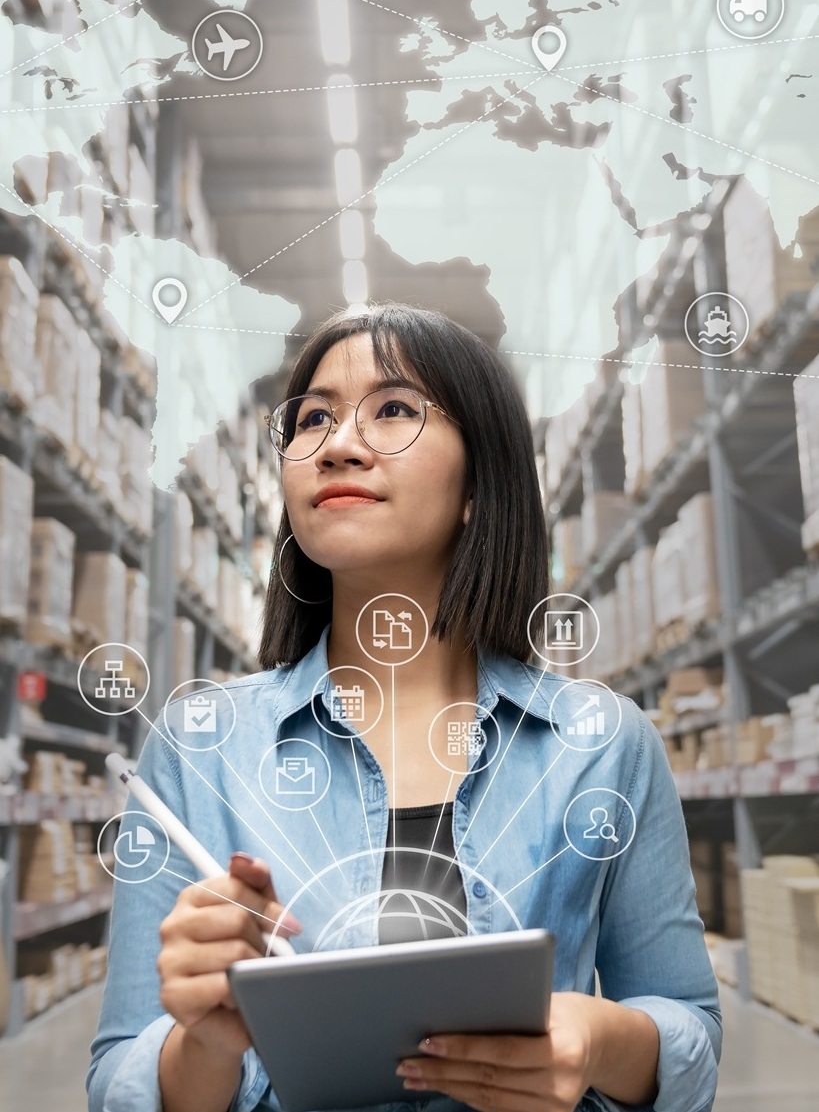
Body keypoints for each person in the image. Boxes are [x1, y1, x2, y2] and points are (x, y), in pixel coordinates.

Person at [87, 303, 721, 1112]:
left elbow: (688, 1034)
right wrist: (204, 1040)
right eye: (312, 418)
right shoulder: (197, 747)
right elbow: (118, 1078)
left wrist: (598, 1038)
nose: (337, 444)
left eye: (392, 409)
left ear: (476, 484)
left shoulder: (600, 744)